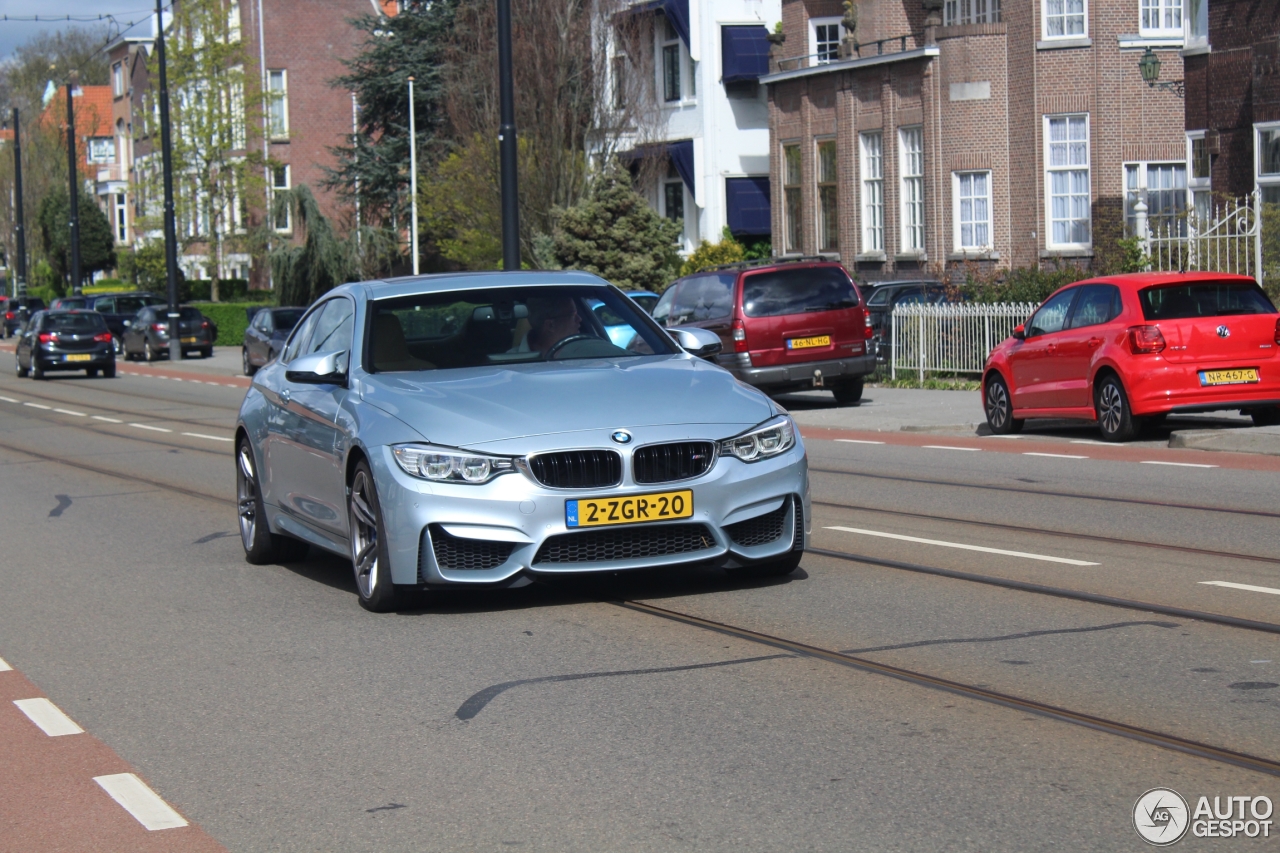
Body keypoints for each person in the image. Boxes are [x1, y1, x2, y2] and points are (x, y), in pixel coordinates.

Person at [512, 296, 583, 357]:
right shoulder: (511, 363)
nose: (579, 319)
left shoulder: (585, 355)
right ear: (550, 325)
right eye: (572, 315)